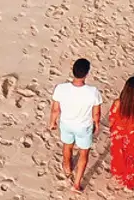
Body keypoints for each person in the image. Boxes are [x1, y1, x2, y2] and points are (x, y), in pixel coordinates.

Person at [49, 57, 102, 191]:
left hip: (66, 124)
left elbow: (55, 109)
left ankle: (67, 168)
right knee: (84, 154)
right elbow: (96, 113)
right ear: (86, 73)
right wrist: (97, 124)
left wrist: (52, 122)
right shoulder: (93, 92)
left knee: (68, 146)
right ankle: (77, 184)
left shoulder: (61, 88)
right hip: (84, 127)